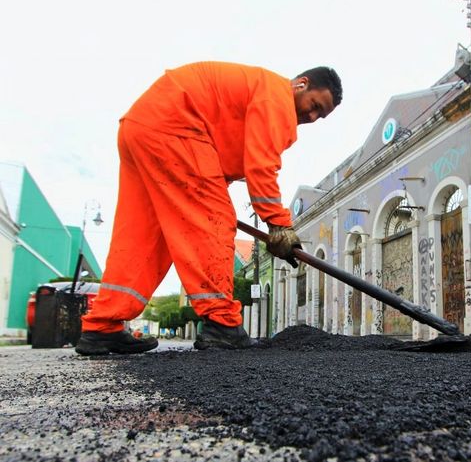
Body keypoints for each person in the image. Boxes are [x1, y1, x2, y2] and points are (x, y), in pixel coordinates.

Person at [75, 62, 342, 356]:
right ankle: (221, 323)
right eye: (315, 105)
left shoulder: (263, 93)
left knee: (142, 235)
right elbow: (261, 165)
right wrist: (279, 224)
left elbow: (232, 153)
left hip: (143, 126)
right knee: (213, 221)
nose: (313, 116)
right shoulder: (276, 97)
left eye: (321, 116)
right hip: (176, 128)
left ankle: (102, 325)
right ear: (301, 84)